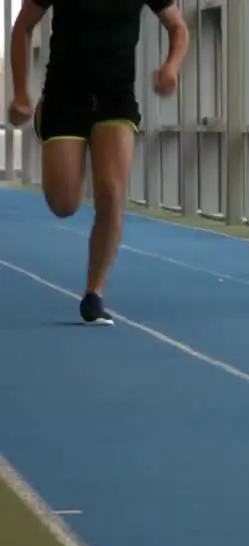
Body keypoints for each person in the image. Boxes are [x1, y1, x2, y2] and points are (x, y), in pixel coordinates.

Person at [8, 0, 189, 326]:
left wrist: (171, 68)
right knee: (64, 204)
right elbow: (22, 26)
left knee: (111, 192)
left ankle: (94, 292)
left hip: (115, 97)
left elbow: (178, 27)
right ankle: (43, 117)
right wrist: (21, 92)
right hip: (65, 96)